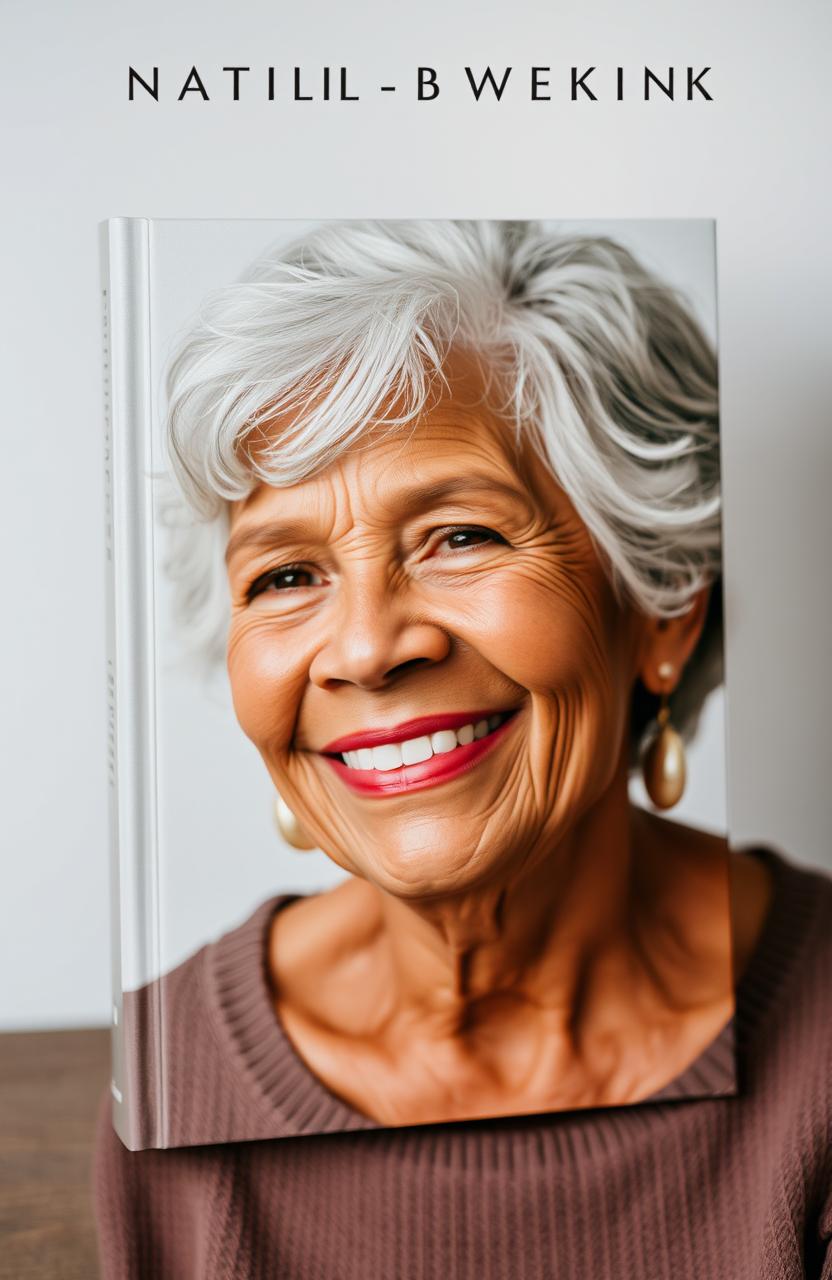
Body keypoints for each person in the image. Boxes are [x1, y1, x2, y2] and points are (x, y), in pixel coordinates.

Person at [94, 221, 832, 1278]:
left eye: (460, 534)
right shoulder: (170, 1070)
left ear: (662, 605)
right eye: (286, 575)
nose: (364, 649)